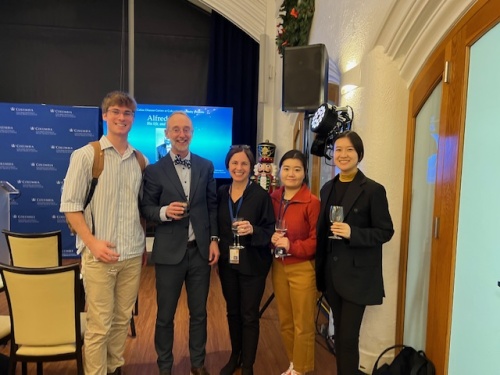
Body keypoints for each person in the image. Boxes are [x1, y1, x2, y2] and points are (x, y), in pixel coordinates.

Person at [60, 91, 148, 375]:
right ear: (105, 116)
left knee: (122, 321)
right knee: (100, 325)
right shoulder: (86, 156)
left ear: (133, 119)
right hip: (99, 258)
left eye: (127, 113)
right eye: (116, 112)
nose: (122, 117)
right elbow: (71, 207)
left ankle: (114, 369)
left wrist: (143, 246)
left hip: (132, 255)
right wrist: (93, 244)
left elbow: (138, 208)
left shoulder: (140, 160)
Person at [140, 111, 220, 375]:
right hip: (168, 254)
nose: (181, 135)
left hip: (199, 253)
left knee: (199, 314)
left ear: (192, 133)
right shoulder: (153, 170)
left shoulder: (206, 166)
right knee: (165, 317)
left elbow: (211, 206)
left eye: (186, 129)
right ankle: (165, 366)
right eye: (176, 129)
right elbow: (147, 208)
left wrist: (214, 241)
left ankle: (197, 364)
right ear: (167, 133)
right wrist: (164, 212)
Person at [315, 131, 394, 375]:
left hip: (357, 279)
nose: (343, 154)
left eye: (349, 150)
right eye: (338, 149)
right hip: (331, 275)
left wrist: (353, 233)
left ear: (359, 154)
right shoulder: (327, 188)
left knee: (348, 339)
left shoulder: (372, 190)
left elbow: (385, 232)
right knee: (339, 336)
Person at [216, 145, 275, 375]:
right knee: (232, 312)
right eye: (234, 163)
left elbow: (270, 230)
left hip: (253, 263)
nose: (238, 168)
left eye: (244, 164)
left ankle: (248, 364)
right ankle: (235, 356)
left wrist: (253, 230)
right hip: (228, 264)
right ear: (228, 165)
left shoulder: (261, 196)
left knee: (249, 315)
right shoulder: (221, 192)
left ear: (251, 168)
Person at [270, 150, 320, 375]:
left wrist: (293, 246)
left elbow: (316, 241)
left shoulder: (312, 201)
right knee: (286, 321)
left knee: (303, 323)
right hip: (278, 265)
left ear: (304, 173)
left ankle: (302, 369)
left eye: (297, 169)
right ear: (279, 171)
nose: (291, 173)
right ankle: (293, 363)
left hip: (301, 266)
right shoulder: (273, 197)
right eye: (287, 168)